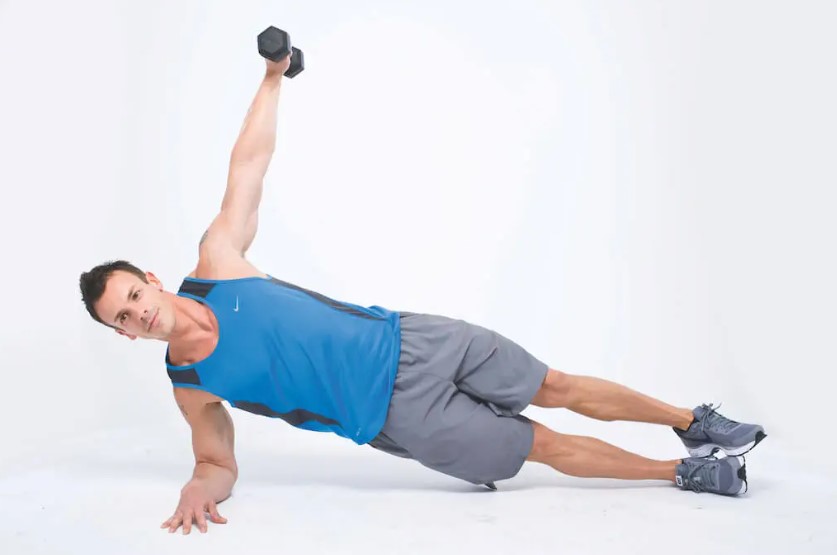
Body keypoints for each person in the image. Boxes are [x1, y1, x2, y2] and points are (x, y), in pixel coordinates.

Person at [79, 49, 766, 536]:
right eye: (125, 318)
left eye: (133, 295)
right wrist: (201, 485)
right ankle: (678, 471)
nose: (139, 312)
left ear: (151, 279)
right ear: (124, 334)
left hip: (411, 337)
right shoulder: (190, 382)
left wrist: (272, 77)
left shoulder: (218, 260)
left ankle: (690, 420)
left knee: (552, 382)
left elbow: (248, 166)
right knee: (544, 443)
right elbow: (216, 458)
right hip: (399, 417)